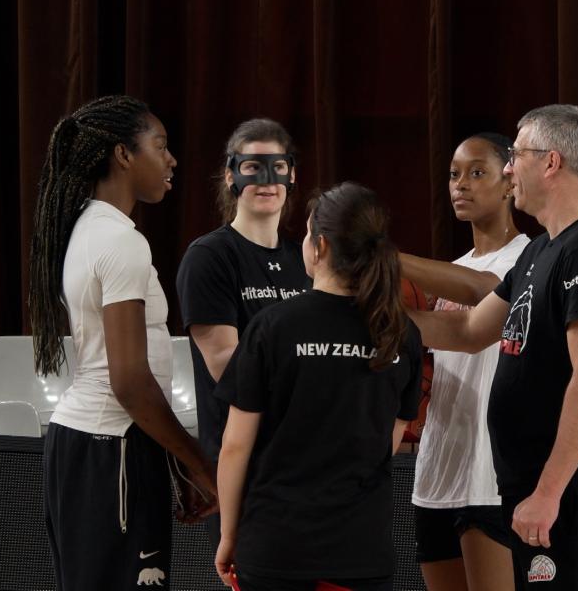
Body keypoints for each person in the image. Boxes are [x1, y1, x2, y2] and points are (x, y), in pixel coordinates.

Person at [406, 105, 578, 591]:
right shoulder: (543, 250)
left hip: (564, 490)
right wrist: (364, 322)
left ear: (551, 163)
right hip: (523, 485)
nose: (510, 168)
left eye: (517, 155)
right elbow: (468, 331)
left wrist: (548, 492)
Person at [29, 95, 217, 590]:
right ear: (123, 155)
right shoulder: (119, 241)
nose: (171, 159)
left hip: (95, 445)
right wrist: (198, 462)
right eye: (161, 146)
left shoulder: (90, 230)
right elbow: (130, 381)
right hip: (110, 447)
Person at [213, 182, 423, 591]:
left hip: (277, 549)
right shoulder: (402, 334)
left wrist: (228, 535)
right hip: (360, 552)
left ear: (320, 246)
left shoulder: (272, 327)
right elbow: (387, 443)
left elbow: (235, 446)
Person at [400, 133, 530, 591]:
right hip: (439, 466)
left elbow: (484, 289)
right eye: (455, 174)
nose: (462, 184)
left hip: (489, 473)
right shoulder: (451, 269)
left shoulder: (528, 258)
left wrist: (386, 259)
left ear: (510, 181)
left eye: (478, 173)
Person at [175, 118, 311, 549]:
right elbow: (228, 369)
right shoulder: (210, 257)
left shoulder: (304, 258)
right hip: (247, 467)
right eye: (253, 166)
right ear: (231, 175)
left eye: (277, 166)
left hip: (307, 463)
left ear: (292, 174)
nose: (266, 179)